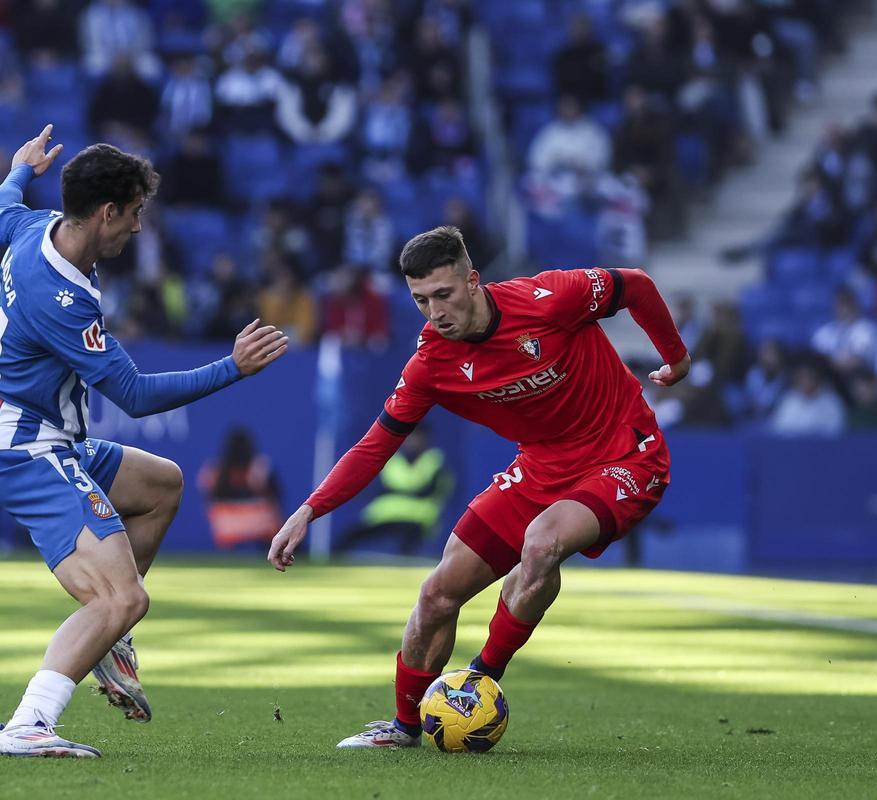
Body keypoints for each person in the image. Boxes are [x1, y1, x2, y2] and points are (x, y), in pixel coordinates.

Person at [267, 226, 689, 748]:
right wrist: (310, 510)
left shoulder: (550, 298)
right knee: (437, 595)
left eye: (443, 294)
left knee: (542, 542)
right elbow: (376, 444)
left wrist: (676, 357)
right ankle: (402, 728)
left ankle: (479, 680)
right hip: (540, 468)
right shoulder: (431, 364)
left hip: (625, 453)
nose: (435, 312)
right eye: (420, 300)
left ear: (472, 280)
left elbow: (637, 285)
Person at [0, 126, 287, 758]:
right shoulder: (61, 298)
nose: (139, 228)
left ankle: (108, 638)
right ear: (107, 212)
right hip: (25, 450)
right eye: (135, 214)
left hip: (42, 438)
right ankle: (28, 723)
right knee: (126, 596)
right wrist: (233, 368)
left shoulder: (34, 226)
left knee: (162, 484)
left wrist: (18, 168)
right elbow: (136, 396)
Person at [335, 425, 453, 556]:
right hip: (384, 516)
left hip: (417, 520)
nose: (413, 441)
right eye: (410, 437)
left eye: (417, 437)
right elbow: (377, 490)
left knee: (406, 546)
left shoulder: (436, 463)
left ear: (426, 439)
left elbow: (434, 493)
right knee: (348, 537)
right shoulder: (392, 460)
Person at [197, 427, 283, 550]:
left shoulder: (259, 468)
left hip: (250, 522)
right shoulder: (216, 470)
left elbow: (276, 501)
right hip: (230, 523)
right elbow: (209, 498)